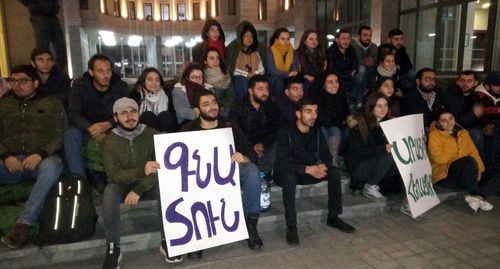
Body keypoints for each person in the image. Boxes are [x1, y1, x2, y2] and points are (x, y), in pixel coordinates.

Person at [101, 98, 179, 268]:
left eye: (133, 112)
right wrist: (140, 172)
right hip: (122, 183)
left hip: (148, 183)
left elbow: (160, 167)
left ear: (139, 113)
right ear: (116, 118)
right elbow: (113, 174)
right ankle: (113, 247)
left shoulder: (151, 134)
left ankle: (167, 240)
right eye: (124, 113)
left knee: (164, 187)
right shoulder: (110, 140)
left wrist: (139, 189)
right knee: (110, 191)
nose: (130, 117)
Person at [182, 89, 263, 250]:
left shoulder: (229, 125)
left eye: (214, 102)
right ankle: (195, 238)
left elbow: (252, 154)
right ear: (197, 110)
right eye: (206, 104)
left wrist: (244, 158)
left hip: (228, 172)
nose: (212, 107)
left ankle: (251, 224)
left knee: (252, 171)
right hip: (199, 177)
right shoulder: (188, 130)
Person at [0, 65, 67, 249]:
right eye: (13, 81)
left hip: (40, 160)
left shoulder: (51, 103)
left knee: (52, 166)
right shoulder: (4, 104)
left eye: (23, 81)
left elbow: (60, 134)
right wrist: (5, 155)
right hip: (8, 161)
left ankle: (22, 226)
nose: (17, 85)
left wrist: (41, 153)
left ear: (35, 83)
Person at [274, 97, 355, 245]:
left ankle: (334, 217)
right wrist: (306, 169)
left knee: (334, 172)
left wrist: (323, 166)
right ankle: (291, 227)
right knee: (289, 179)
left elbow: (326, 155)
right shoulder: (285, 131)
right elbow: (281, 163)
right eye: (308, 112)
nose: (313, 116)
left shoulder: (316, 130)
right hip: (287, 172)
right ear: (298, 114)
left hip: (309, 171)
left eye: (315, 111)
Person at [64, 54, 128, 190]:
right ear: (91, 72)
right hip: (87, 127)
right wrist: (91, 128)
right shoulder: (80, 86)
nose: (106, 75)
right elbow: (73, 113)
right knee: (70, 134)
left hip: (113, 126)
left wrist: (108, 124)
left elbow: (126, 111)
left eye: (108, 71)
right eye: (100, 71)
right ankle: (79, 182)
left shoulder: (120, 86)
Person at [428, 108, 498, 213]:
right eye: (444, 120)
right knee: (468, 161)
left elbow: (473, 151)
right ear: (438, 122)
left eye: (451, 118)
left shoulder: (462, 132)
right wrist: (461, 157)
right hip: (445, 174)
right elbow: (438, 157)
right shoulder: (434, 135)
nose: (448, 123)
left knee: (495, 171)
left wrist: (478, 169)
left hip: (467, 171)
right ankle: (474, 194)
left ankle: (479, 197)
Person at [345, 92, 399, 201]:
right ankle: (370, 186)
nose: (383, 109)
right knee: (388, 156)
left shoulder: (387, 123)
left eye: (385, 105)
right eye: (379, 106)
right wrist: (383, 149)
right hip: (358, 165)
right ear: (371, 107)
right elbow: (356, 152)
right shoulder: (359, 124)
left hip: (375, 162)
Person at [230, 75, 281, 178]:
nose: (265, 93)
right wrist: (251, 147)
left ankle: (263, 172)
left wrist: (262, 144)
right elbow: (236, 133)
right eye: (260, 89)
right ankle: (258, 171)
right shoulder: (239, 106)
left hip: (265, 146)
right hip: (245, 147)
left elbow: (274, 129)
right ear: (250, 91)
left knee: (280, 139)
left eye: (267, 89)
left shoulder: (272, 105)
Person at [445, 70, 484, 157]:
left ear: (475, 83)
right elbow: (456, 121)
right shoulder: (451, 96)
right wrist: (474, 114)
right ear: (457, 82)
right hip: (454, 129)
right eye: (462, 81)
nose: (465, 84)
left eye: (469, 81)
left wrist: (489, 124)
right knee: (476, 134)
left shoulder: (476, 96)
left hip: (472, 127)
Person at [19, 0, 67, 68]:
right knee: (43, 48)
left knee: (60, 48)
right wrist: (33, 3)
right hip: (39, 13)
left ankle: (59, 72)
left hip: (51, 13)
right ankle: (44, 70)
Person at [315, 73, 350, 166]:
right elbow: (321, 120)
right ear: (323, 85)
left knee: (338, 130)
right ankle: (328, 163)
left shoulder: (341, 95)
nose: (335, 85)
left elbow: (347, 114)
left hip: (337, 130)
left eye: (336, 81)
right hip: (321, 129)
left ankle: (334, 162)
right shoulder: (317, 97)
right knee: (328, 130)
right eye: (330, 82)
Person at [225, 20, 266, 99]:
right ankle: (244, 102)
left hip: (255, 75)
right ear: (241, 36)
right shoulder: (233, 48)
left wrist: (255, 73)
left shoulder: (257, 49)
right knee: (242, 81)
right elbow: (232, 68)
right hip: (240, 77)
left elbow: (262, 66)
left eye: (251, 36)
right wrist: (246, 74)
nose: (249, 39)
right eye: (246, 36)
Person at [129, 67, 177, 133]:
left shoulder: (167, 95)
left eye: (157, 80)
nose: (154, 82)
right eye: (150, 79)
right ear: (143, 81)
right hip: (143, 132)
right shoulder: (135, 95)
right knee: (147, 115)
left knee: (166, 115)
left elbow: (173, 119)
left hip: (164, 131)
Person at [473, 71, 500, 169]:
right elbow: (478, 115)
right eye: (496, 86)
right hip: (480, 125)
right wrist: (490, 124)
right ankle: (489, 168)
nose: (499, 88)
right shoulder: (478, 95)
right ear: (487, 86)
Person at [326, 29, 358, 103]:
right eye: (343, 38)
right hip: (337, 77)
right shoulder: (331, 52)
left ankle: (356, 102)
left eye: (348, 38)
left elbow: (355, 66)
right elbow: (331, 69)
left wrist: (350, 74)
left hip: (348, 77)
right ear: (337, 40)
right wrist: (347, 74)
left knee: (359, 77)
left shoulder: (352, 50)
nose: (346, 41)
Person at [266, 28, 298, 97]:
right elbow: (272, 70)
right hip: (273, 78)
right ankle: (276, 103)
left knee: (295, 82)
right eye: (283, 39)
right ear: (276, 40)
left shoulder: (293, 52)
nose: (286, 41)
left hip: (289, 77)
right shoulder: (270, 51)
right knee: (279, 81)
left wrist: (290, 74)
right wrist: (287, 74)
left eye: (288, 39)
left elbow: (295, 69)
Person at [202, 48, 234, 117]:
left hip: (224, 110)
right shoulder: (201, 76)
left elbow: (231, 97)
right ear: (205, 61)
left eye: (217, 58)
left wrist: (221, 106)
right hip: (206, 110)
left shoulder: (226, 75)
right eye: (211, 58)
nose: (215, 61)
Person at [352, 26, 378, 105]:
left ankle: (360, 99)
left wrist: (370, 62)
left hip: (370, 70)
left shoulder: (373, 46)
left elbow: (374, 61)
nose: (368, 37)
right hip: (357, 71)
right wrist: (365, 61)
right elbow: (354, 62)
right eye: (365, 35)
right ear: (359, 36)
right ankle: (360, 99)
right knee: (362, 70)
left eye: (370, 35)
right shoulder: (353, 46)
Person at [296, 30, 327, 94]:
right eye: (311, 39)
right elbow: (297, 71)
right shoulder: (297, 53)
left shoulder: (322, 53)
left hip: (318, 78)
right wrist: (305, 76)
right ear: (304, 41)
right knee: (308, 82)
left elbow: (324, 69)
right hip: (303, 78)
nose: (314, 41)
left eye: (316, 39)